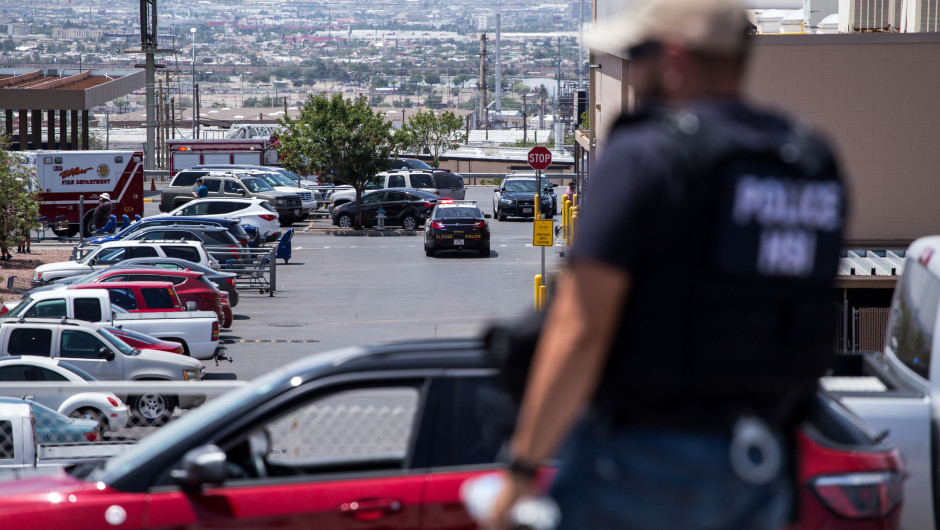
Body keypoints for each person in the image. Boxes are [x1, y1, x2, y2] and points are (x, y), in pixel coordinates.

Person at [485, 0, 847, 529]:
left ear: (674, 58)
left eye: (639, 53)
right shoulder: (811, 163)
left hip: (643, 462)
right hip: (763, 463)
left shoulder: (647, 156)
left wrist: (521, 470)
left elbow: (580, 329)